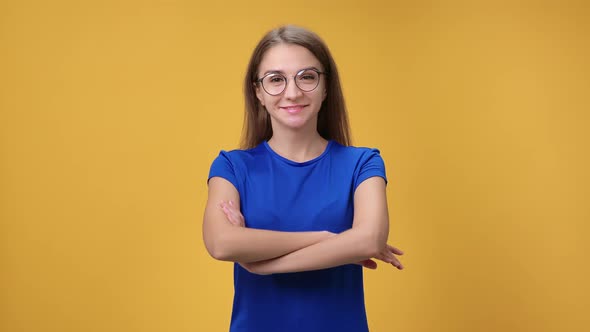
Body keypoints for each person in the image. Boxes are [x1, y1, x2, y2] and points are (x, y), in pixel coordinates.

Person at [203, 25, 404, 332]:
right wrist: (328, 239)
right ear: (258, 91)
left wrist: (263, 265)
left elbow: (369, 239)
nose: (293, 92)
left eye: (307, 76)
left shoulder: (362, 163)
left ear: (326, 87)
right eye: (276, 80)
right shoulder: (232, 166)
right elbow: (220, 242)